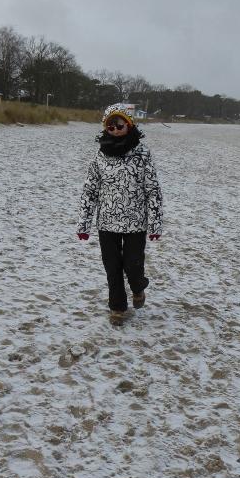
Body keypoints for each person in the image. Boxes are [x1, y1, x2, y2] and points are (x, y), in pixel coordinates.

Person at [77, 103, 163, 320]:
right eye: (110, 126)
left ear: (129, 124)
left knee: (133, 267)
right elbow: (90, 190)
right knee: (112, 268)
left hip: (136, 222)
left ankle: (138, 287)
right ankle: (117, 307)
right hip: (106, 222)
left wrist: (155, 223)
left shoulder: (142, 153)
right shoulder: (100, 156)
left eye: (119, 124)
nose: (115, 129)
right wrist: (84, 224)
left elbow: (153, 189)